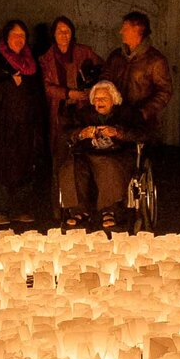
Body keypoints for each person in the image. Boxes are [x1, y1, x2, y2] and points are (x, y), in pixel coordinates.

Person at [60, 80, 148, 230]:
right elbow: (66, 133)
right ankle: (79, 210)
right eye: (96, 98)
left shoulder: (128, 113)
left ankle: (110, 210)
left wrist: (118, 133)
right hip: (88, 153)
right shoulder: (83, 115)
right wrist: (81, 133)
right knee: (72, 165)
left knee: (107, 164)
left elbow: (143, 134)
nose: (99, 102)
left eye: (103, 99)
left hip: (118, 154)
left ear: (114, 99)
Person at [39, 16, 103, 220]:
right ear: (53, 34)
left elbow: (102, 71)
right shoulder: (46, 58)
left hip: (83, 113)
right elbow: (46, 87)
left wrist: (90, 91)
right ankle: (60, 209)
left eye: (67, 31)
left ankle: (87, 207)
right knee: (60, 159)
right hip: (61, 114)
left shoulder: (84, 52)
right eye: (60, 31)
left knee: (86, 159)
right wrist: (68, 93)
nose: (64, 35)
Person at [0, 19, 44, 225]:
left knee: (24, 165)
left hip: (24, 123)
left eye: (22, 36)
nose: (19, 39)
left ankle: (21, 209)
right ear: (6, 37)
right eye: (15, 35)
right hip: (0, 124)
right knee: (1, 166)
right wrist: (8, 81)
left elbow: (36, 93)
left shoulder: (31, 62)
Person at [101, 11, 172, 135]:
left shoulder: (155, 60)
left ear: (138, 30)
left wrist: (143, 113)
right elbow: (104, 80)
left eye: (125, 28)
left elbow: (165, 91)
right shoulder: (116, 56)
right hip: (115, 119)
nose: (121, 31)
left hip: (141, 125)